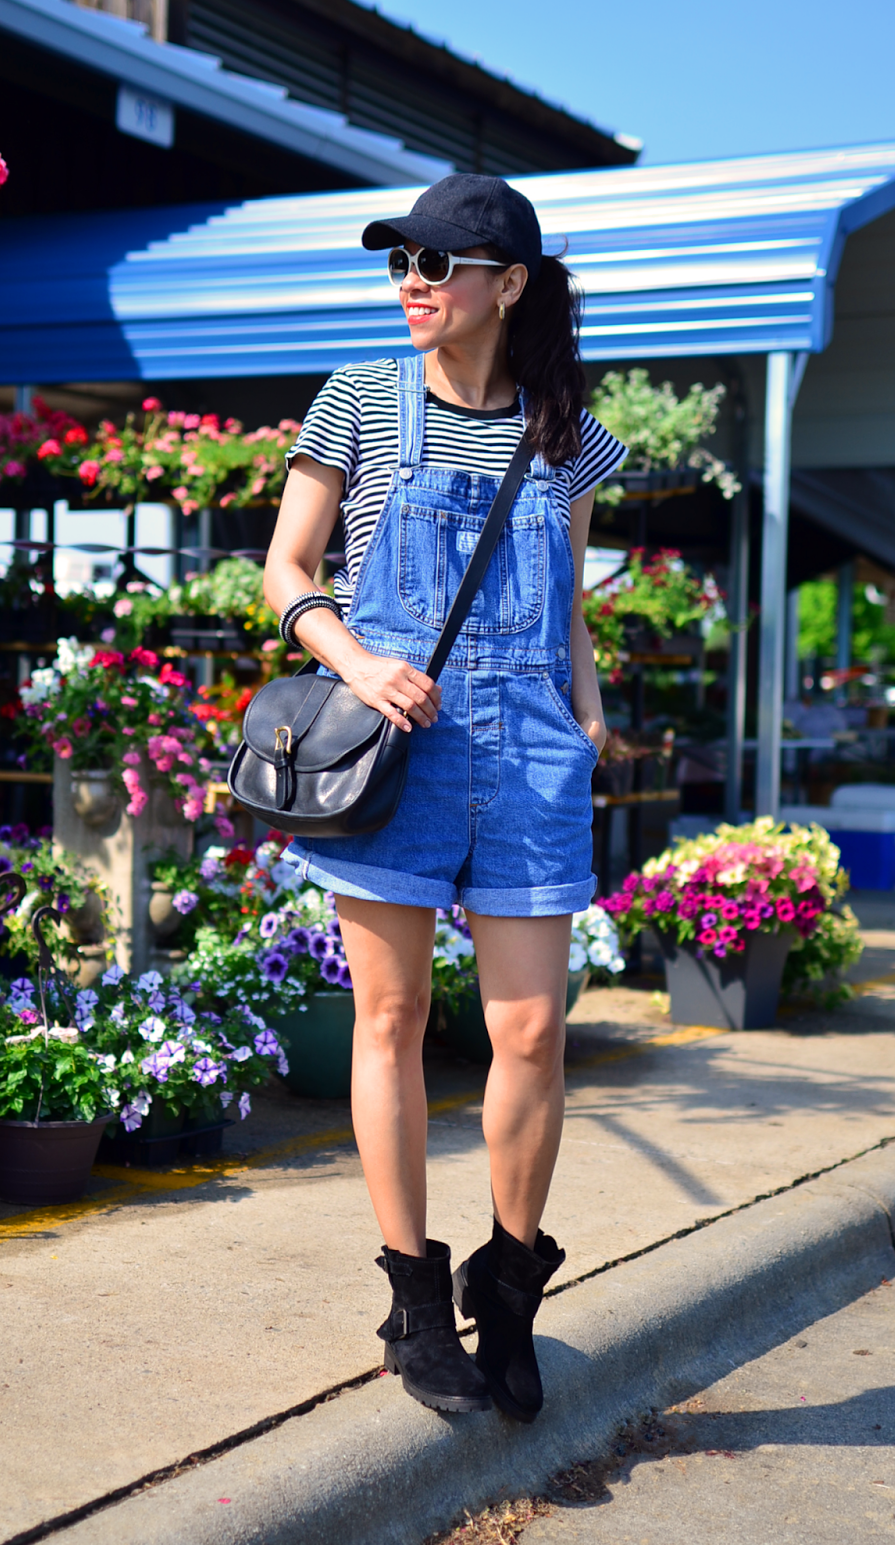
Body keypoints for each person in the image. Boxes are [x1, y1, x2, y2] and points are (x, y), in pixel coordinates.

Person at [263, 174, 626, 1423]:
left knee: (530, 1032)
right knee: (394, 1013)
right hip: (394, 741)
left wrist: (585, 705)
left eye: (440, 262)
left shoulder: (563, 424)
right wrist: (357, 658)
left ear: (509, 284)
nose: (413, 280)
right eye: (399, 261)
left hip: (529, 747)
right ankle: (417, 1301)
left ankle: (510, 1287)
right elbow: (286, 567)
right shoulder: (362, 397)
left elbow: (565, 594)